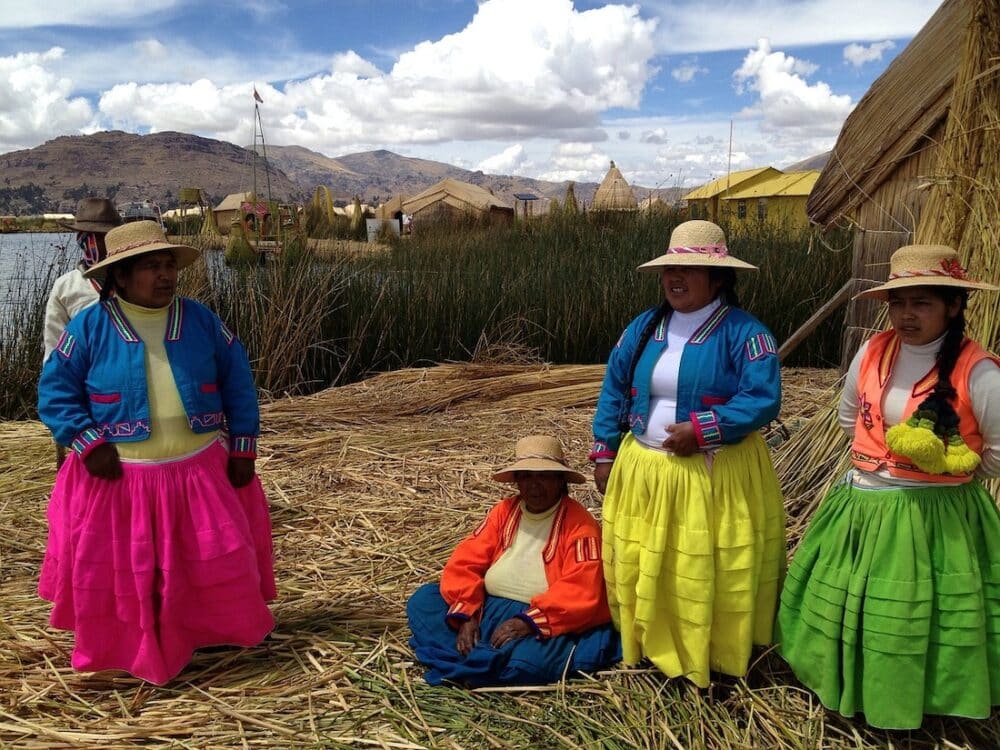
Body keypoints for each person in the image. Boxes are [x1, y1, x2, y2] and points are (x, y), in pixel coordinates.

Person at [36, 220, 276, 685]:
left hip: (198, 472)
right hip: (120, 478)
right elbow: (56, 392)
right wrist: (87, 443)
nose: (165, 275)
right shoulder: (90, 327)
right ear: (120, 276)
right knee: (128, 571)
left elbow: (238, 382)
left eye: (169, 265)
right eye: (150, 267)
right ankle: (132, 646)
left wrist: (242, 448)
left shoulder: (201, 321)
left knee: (208, 560)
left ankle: (209, 633)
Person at [775, 244, 1000, 729]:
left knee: (913, 616)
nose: (905, 315)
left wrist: (947, 476)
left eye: (921, 303)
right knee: (853, 604)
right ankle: (846, 684)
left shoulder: (978, 370)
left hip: (935, 516)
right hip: (862, 502)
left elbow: (997, 453)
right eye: (898, 303)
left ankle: (918, 700)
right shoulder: (873, 350)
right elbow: (848, 416)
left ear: (953, 306)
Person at [590, 219, 784, 688]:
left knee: (703, 563)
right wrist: (604, 450)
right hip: (646, 471)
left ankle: (712, 653)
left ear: (718, 278)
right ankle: (651, 643)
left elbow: (762, 398)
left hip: (713, 473)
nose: (675, 279)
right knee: (651, 560)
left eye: (690, 270)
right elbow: (615, 387)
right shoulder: (643, 328)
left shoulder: (746, 334)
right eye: (669, 270)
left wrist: (704, 430)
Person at [407, 435, 621, 687]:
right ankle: (484, 663)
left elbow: (582, 588)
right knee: (423, 600)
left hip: (540, 619)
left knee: (529, 661)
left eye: (544, 476)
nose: (534, 485)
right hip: (486, 608)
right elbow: (466, 560)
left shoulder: (580, 525)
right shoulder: (504, 511)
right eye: (526, 476)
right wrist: (466, 613)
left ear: (561, 480)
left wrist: (528, 622)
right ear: (516, 481)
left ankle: (470, 663)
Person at [44, 198, 122, 362]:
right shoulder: (66, 287)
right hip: (83, 379)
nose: (109, 244)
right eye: (101, 238)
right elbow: (55, 348)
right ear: (84, 240)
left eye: (112, 236)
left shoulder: (136, 280)